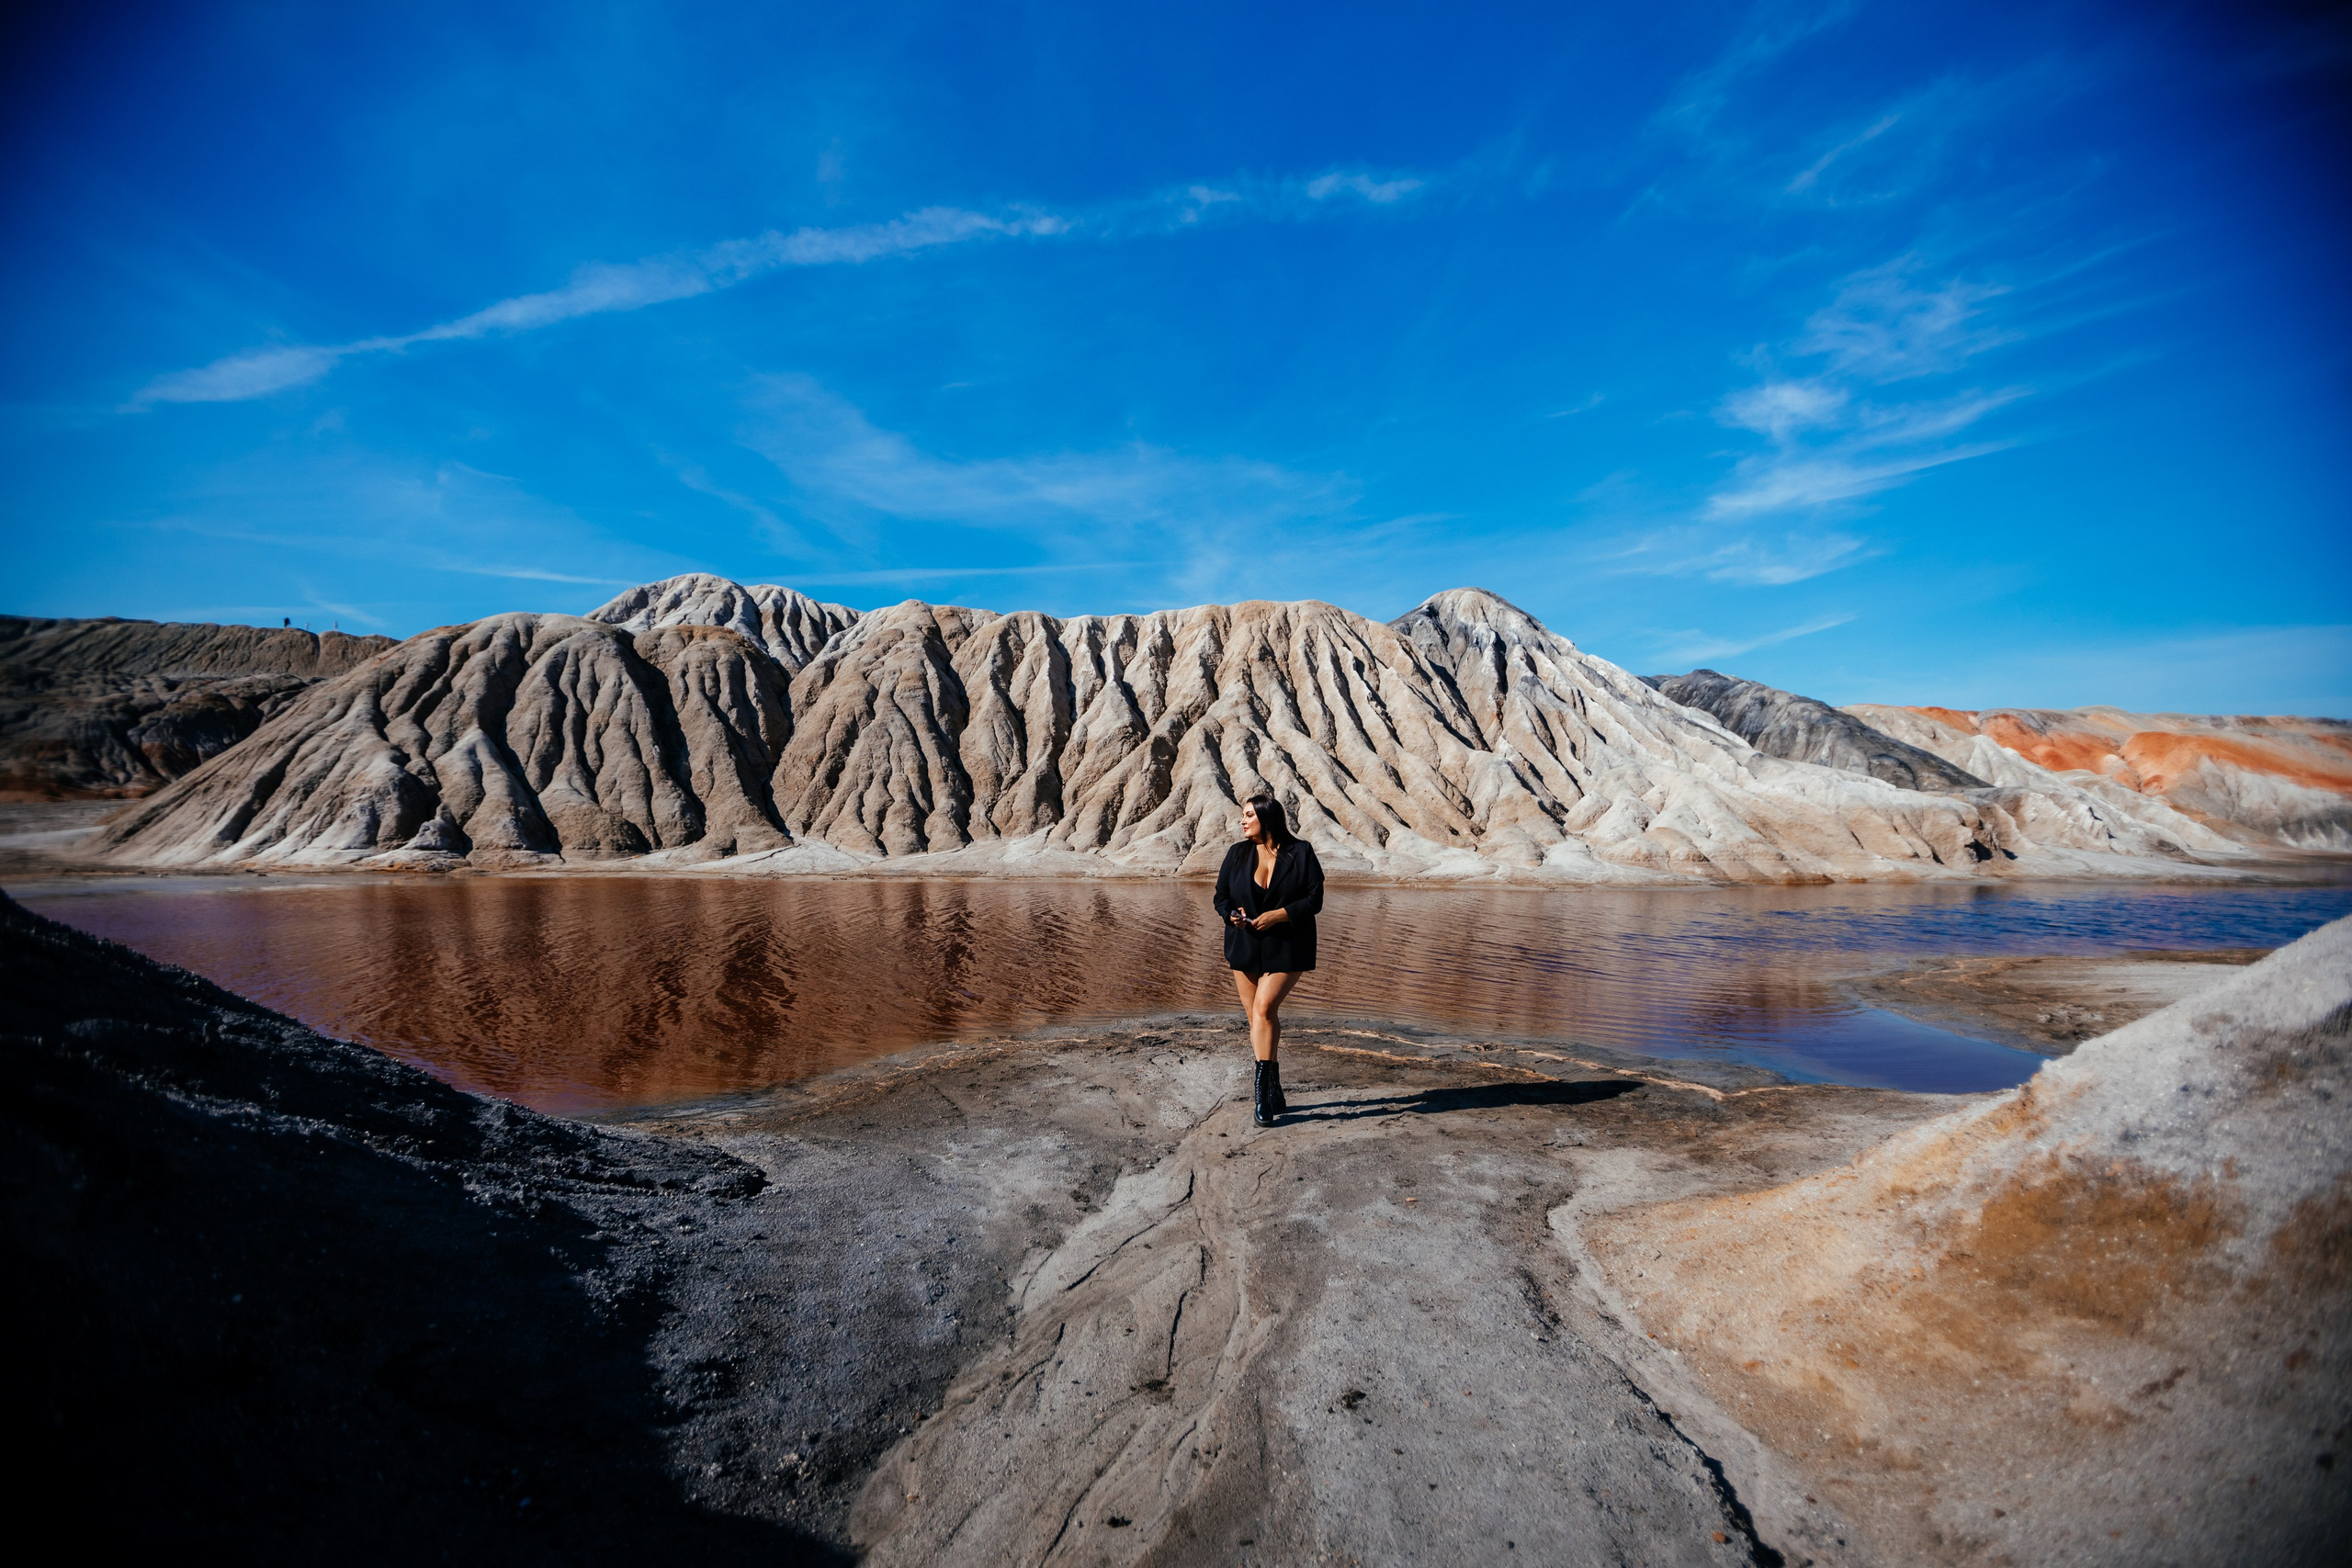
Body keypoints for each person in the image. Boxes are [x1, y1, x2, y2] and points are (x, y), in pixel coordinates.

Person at [1213, 793, 1325, 1127]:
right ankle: (1275, 1089)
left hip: (1288, 944)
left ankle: (1261, 1094)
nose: (1243, 821)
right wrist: (1231, 914)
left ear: (1266, 817)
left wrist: (1279, 915)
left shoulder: (1301, 852)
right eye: (1242, 815)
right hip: (1244, 943)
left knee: (1263, 1010)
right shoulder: (1236, 854)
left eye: (1249, 815)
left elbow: (1314, 899)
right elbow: (1221, 897)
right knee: (1257, 1019)